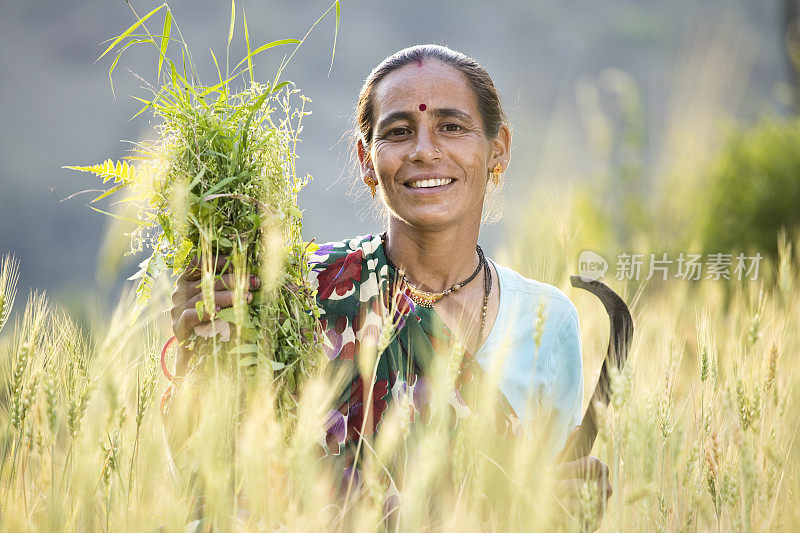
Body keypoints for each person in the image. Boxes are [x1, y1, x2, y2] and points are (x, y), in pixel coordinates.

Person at [169, 44, 611, 526]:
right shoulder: (301, 292)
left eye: (452, 126)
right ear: (366, 159)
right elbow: (216, 464)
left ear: (498, 148)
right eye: (399, 132)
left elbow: (547, 500)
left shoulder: (548, 321)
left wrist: (573, 503)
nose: (424, 150)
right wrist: (205, 347)